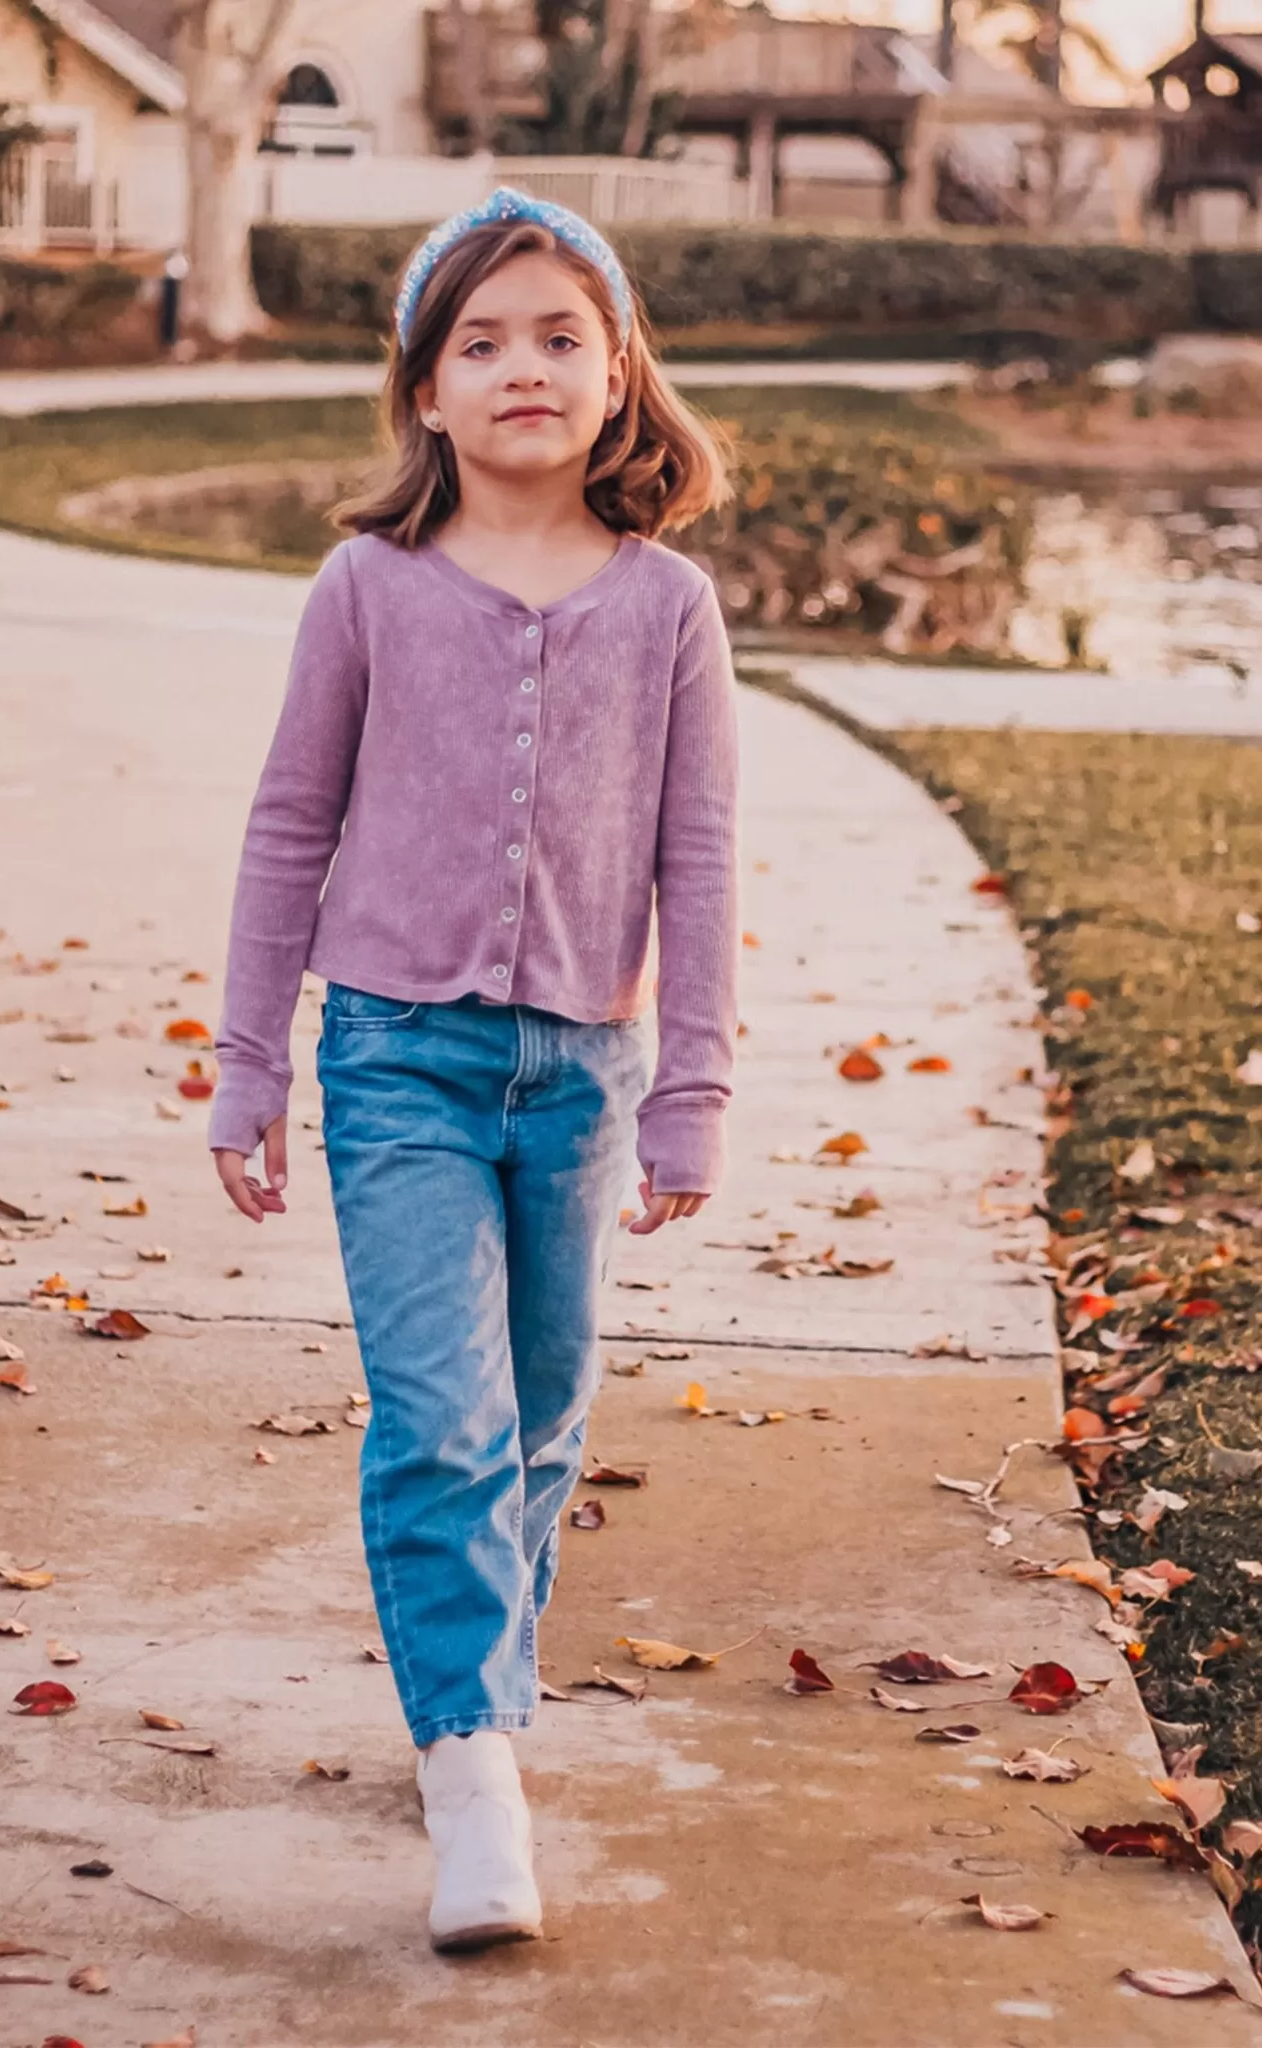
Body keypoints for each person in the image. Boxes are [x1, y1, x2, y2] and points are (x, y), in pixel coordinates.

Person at [208, 187, 739, 1953]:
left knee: (542, 1419)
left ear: (618, 377)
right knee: (439, 1421)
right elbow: (290, 821)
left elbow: (702, 859)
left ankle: (471, 1691)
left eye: (560, 336)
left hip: (587, 1068)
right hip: (395, 1059)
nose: (523, 366)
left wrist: (693, 1083)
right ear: (424, 394)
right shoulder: (369, 587)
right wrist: (248, 1059)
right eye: (481, 340)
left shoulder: (670, 610)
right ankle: (472, 1770)